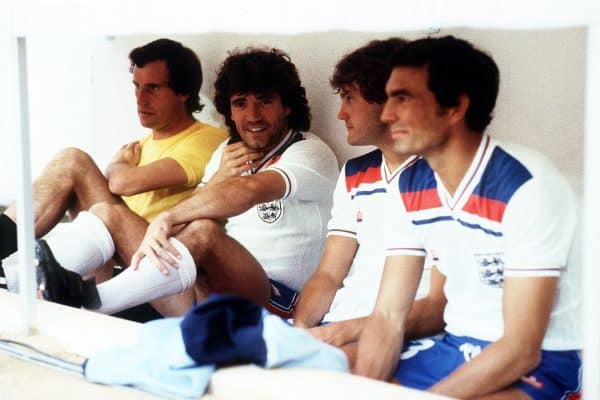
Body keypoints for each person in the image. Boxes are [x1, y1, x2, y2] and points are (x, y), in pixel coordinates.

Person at [33, 47, 339, 318]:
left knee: (204, 232)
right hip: (201, 289)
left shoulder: (308, 151)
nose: (252, 115)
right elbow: (189, 224)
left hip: (273, 300)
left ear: (286, 106)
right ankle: (30, 285)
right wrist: (216, 180)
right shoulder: (226, 152)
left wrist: (167, 217)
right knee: (107, 213)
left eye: (265, 101)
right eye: (240, 103)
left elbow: (249, 191)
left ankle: (89, 302)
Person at [354, 36, 582, 400]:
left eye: (403, 98)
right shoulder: (410, 184)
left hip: (545, 360)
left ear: (455, 107)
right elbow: (388, 317)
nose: (386, 114)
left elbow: (522, 349)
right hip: (455, 346)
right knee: (327, 377)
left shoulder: (526, 186)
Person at [0, 38, 227, 263]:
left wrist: (117, 165)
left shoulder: (208, 138)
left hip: (156, 254)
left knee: (73, 161)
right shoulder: (141, 145)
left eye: (153, 88)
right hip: (120, 246)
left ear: (183, 92)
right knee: (73, 169)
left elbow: (122, 184)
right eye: (137, 87)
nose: (140, 99)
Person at [293, 38, 431, 365]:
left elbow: (440, 302)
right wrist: (300, 330)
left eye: (350, 98)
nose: (341, 113)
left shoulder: (441, 176)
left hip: (395, 333)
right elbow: (329, 273)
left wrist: (337, 336)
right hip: (337, 324)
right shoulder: (356, 172)